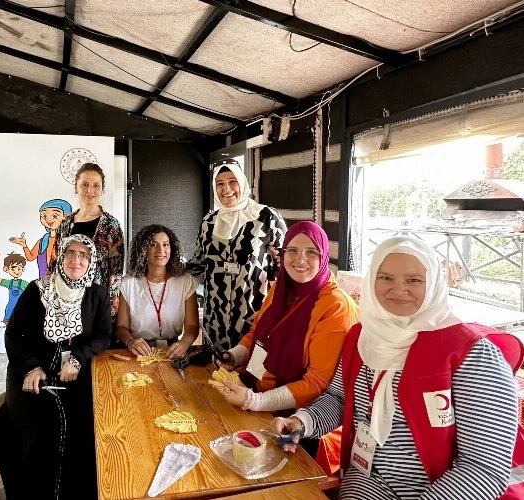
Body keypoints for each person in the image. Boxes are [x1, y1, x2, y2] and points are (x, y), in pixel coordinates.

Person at [272, 236, 524, 499]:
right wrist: (302, 421)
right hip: (360, 484)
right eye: (386, 278)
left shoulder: (473, 355)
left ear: (433, 282)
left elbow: (484, 469)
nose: (398, 289)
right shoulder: (362, 336)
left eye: (413, 280)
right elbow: (339, 398)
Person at [0, 234, 111, 500]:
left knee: (88, 422)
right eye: (70, 253)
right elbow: (13, 334)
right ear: (60, 257)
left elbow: (103, 336)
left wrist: (78, 358)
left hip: (76, 372)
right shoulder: (36, 290)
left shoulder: (97, 294)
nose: (76, 260)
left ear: (91, 261)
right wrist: (30, 367)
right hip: (32, 371)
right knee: (45, 425)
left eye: (83, 255)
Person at [214, 221, 358, 421]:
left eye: (311, 252)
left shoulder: (336, 306)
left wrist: (256, 401)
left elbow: (317, 382)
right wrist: (234, 356)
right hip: (253, 394)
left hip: (292, 420)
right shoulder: (281, 287)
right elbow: (259, 336)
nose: (300, 259)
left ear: (324, 256)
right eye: (292, 250)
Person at [188, 161, 287, 350]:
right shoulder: (209, 222)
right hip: (216, 318)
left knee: (250, 366)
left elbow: (284, 265)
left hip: (253, 316)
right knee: (214, 366)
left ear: (242, 182)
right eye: (220, 183)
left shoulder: (267, 218)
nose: (226, 189)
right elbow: (199, 262)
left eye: (232, 181)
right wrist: (166, 267)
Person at [51, 163, 124, 317]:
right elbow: (55, 261)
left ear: (102, 190)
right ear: (76, 187)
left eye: (96, 185)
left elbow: (116, 270)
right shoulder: (65, 223)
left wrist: (111, 303)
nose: (90, 190)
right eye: (85, 184)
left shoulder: (111, 225)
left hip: (97, 302)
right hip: (65, 301)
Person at [115, 224, 199, 359]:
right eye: (153, 244)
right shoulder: (128, 283)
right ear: (143, 250)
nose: (161, 250)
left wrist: (184, 344)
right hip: (138, 353)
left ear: (172, 248)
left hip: (172, 352)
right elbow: (121, 327)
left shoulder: (186, 282)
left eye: (165, 245)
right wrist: (130, 342)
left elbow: (192, 326)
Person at [10, 198, 72, 279]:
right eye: (44, 215)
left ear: (66, 217)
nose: (48, 219)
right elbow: (30, 257)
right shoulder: (42, 241)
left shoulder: (68, 240)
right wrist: (24, 245)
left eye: (55, 216)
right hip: (43, 282)